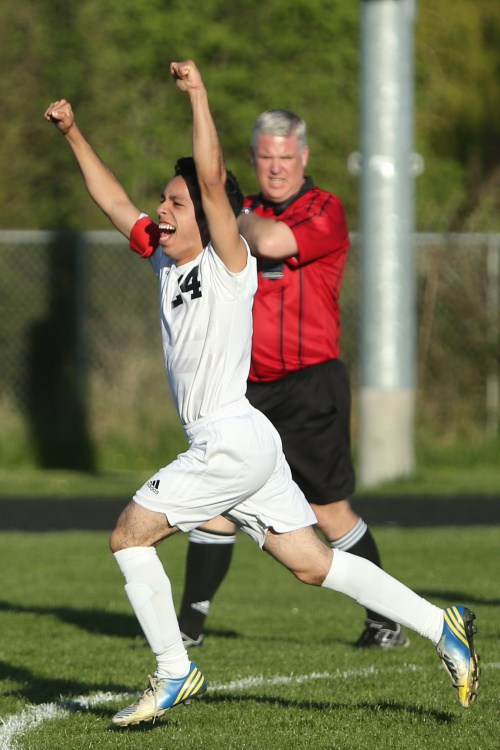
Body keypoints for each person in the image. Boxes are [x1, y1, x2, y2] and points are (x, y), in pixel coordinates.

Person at [44, 60, 480, 727]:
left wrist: (199, 95)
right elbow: (110, 201)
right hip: (247, 436)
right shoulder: (166, 257)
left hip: (228, 439)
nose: (161, 210)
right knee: (312, 564)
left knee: (129, 537)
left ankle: (173, 671)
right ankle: (440, 625)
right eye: (162, 201)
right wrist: (73, 133)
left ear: (211, 216)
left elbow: (214, 183)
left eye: (175, 203)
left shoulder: (228, 263)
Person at [178, 109, 407, 650]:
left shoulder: (325, 209)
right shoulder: (245, 210)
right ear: (252, 158)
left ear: (303, 157)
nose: (276, 168)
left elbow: (277, 242)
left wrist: (228, 219)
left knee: (328, 511)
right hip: (246, 389)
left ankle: (386, 622)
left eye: (286, 157)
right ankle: (185, 631)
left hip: (309, 386)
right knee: (216, 504)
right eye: (266, 157)